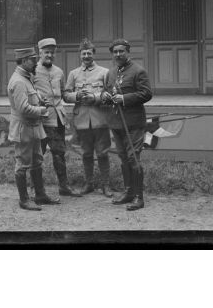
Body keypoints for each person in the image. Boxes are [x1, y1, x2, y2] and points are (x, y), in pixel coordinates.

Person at [101, 38, 152, 211]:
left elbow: (146, 94)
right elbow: (106, 90)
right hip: (117, 123)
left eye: (121, 51)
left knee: (133, 158)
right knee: (123, 158)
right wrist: (105, 97)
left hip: (133, 123)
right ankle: (128, 192)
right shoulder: (111, 72)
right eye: (115, 52)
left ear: (128, 51)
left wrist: (124, 99)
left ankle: (139, 197)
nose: (118, 54)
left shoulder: (138, 71)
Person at [7, 47, 60, 211]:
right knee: (22, 164)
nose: (36, 62)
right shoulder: (18, 81)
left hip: (34, 128)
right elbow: (23, 108)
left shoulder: (27, 78)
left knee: (37, 161)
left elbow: (31, 100)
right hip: (24, 129)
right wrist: (43, 110)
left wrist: (40, 101)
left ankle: (40, 195)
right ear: (24, 61)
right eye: (33, 59)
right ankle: (24, 200)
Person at [64, 38, 112, 197]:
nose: (86, 56)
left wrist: (96, 98)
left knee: (103, 153)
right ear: (80, 55)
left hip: (100, 119)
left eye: (89, 53)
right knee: (86, 154)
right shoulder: (73, 74)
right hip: (82, 121)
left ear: (94, 54)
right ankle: (89, 184)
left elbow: (110, 94)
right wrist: (76, 95)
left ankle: (106, 185)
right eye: (83, 53)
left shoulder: (104, 73)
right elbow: (65, 95)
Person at [34, 38, 80, 197]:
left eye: (52, 52)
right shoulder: (32, 70)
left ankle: (64, 187)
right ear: (39, 53)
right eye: (46, 52)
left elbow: (64, 95)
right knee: (37, 154)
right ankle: (37, 189)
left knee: (59, 153)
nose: (49, 55)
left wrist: (78, 96)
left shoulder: (59, 72)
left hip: (57, 119)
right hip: (40, 119)